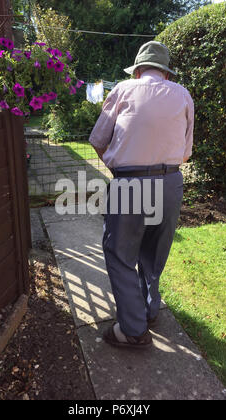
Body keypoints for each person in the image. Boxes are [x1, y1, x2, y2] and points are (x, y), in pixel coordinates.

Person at [89, 41, 194, 349]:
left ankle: (133, 330)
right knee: (153, 253)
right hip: (171, 182)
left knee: (120, 254)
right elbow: (185, 154)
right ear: (167, 73)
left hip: (131, 184)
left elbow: (98, 139)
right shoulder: (183, 95)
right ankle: (148, 310)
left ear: (137, 70)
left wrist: (120, 168)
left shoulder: (122, 90)